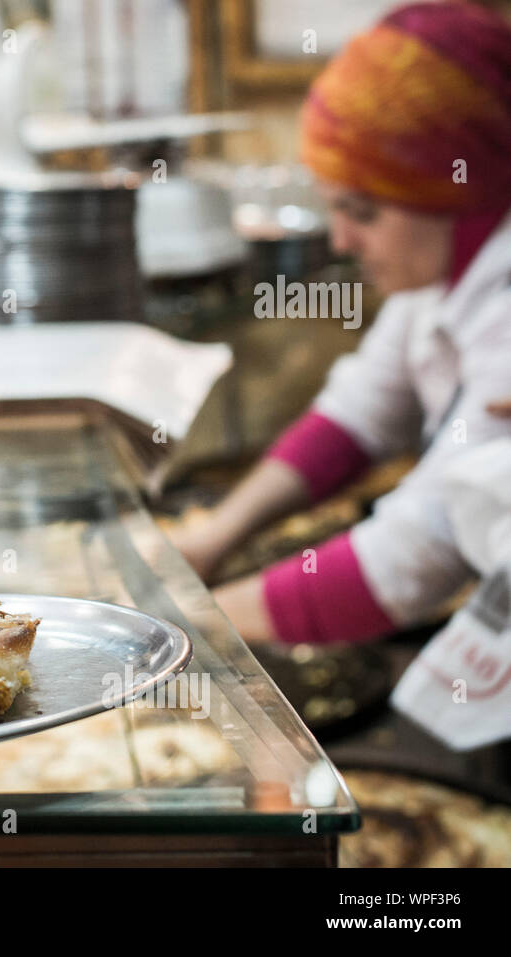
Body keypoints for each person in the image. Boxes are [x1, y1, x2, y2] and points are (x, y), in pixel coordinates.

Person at [169, 1, 511, 647]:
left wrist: (180, 630)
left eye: (362, 210)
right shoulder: (438, 274)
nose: (343, 239)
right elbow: (359, 413)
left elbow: (417, 550)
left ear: (457, 194)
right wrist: (211, 539)